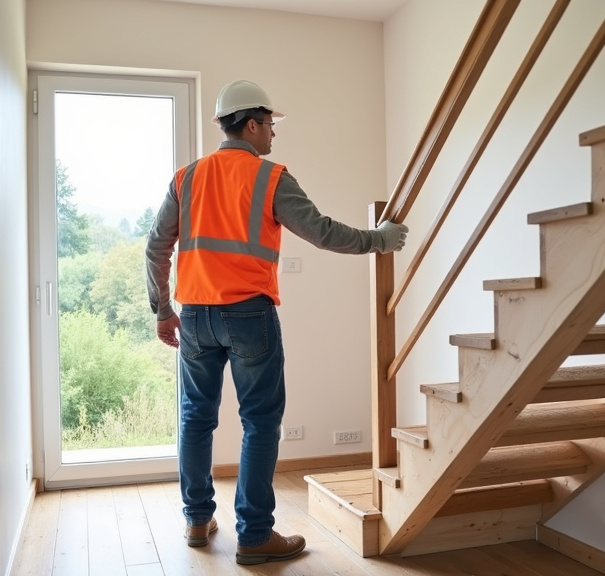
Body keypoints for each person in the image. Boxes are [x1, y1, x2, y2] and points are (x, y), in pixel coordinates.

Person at [145, 79, 408, 566]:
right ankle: (254, 534)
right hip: (249, 316)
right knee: (260, 424)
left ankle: (198, 519)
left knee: (195, 419)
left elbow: (157, 245)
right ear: (250, 123)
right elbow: (323, 232)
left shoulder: (186, 177)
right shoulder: (270, 177)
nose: (273, 135)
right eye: (269, 124)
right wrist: (380, 240)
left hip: (196, 317)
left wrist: (163, 309)